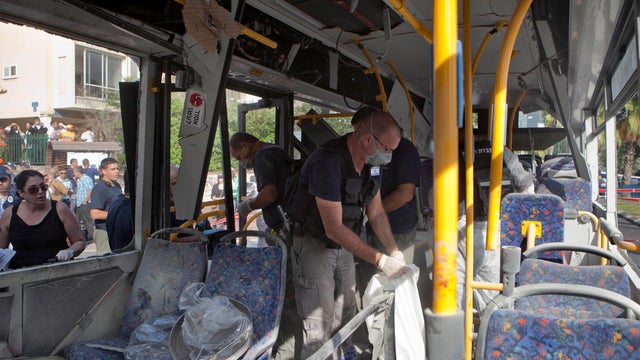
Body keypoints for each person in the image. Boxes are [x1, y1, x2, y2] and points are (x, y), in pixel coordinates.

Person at [290, 110, 407, 358]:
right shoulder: (327, 162)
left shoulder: (372, 165)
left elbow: (375, 214)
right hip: (314, 244)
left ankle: (344, 354)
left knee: (346, 310)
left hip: (345, 243)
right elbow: (332, 227)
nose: (389, 156)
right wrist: (380, 260)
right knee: (318, 321)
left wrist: (394, 251)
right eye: (387, 149)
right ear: (367, 140)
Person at [0, 170, 85, 269]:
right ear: (21, 193)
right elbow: (2, 250)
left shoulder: (60, 209)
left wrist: (70, 252)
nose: (40, 192)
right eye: (33, 190)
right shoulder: (10, 214)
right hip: (22, 275)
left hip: (57, 272)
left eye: (43, 187)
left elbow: (79, 242)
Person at [229, 132, 290, 232]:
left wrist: (249, 205)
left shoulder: (261, 157)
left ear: (244, 146)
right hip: (291, 217)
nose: (240, 162)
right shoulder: (275, 149)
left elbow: (269, 194)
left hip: (286, 223)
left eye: (238, 157)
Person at [90, 158, 122, 255]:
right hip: (104, 232)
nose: (116, 172)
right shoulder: (100, 188)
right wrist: (117, 215)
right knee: (108, 262)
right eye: (113, 169)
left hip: (116, 231)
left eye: (117, 169)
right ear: (103, 171)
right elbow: (94, 214)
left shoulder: (116, 185)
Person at [73, 166, 94, 242]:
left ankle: (90, 236)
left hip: (85, 203)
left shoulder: (86, 179)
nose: (73, 173)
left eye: (74, 172)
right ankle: (83, 237)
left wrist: (86, 200)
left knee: (88, 220)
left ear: (78, 172)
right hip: (79, 203)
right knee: (81, 221)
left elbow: (90, 190)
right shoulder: (80, 180)